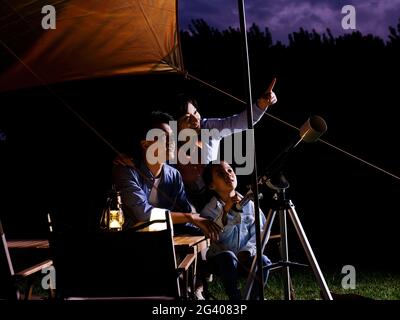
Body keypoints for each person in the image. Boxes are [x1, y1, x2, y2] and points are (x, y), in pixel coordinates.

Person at [112, 111, 221, 240]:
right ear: (145, 144)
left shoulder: (174, 175)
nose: (171, 142)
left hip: (167, 243)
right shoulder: (126, 171)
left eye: (172, 137)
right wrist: (190, 217)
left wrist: (209, 229)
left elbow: (185, 213)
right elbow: (143, 214)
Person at [175, 78, 277, 211]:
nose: (196, 120)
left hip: (219, 198)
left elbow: (238, 123)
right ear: (176, 126)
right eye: (188, 118)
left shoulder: (208, 127)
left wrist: (261, 105)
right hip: (187, 205)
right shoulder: (170, 146)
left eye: (195, 112)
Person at [200, 161, 271, 300]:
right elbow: (217, 238)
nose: (228, 175)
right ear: (211, 185)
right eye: (221, 173)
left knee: (264, 261)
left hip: (246, 256)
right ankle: (235, 300)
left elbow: (262, 231)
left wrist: (248, 250)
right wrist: (227, 211)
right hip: (221, 259)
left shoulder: (250, 205)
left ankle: (252, 298)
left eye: (230, 170)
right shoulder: (208, 211)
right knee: (228, 256)